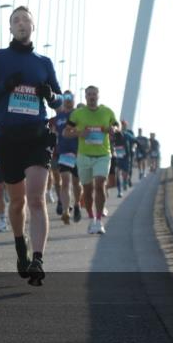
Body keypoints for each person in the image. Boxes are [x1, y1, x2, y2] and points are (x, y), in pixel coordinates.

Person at [0, 6, 62, 286]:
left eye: (26, 20)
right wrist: (3, 86)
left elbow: (60, 101)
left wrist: (50, 95)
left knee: (36, 199)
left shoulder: (43, 62)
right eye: (16, 20)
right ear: (10, 28)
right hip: (9, 140)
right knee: (17, 201)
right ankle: (21, 245)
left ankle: (38, 259)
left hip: (37, 137)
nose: (21, 24)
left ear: (33, 27)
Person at [64, 85, 119, 234]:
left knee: (100, 185)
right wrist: (79, 133)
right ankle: (91, 218)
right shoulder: (77, 114)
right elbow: (66, 133)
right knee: (87, 190)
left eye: (94, 94)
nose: (92, 96)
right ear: (86, 97)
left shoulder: (107, 112)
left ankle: (99, 221)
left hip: (103, 155)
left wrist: (113, 129)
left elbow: (116, 125)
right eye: (89, 94)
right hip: (84, 156)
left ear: (98, 96)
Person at [49, 90, 81, 225]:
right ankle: (66, 211)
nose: (67, 99)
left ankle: (77, 204)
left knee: (76, 183)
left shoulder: (79, 115)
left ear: (73, 99)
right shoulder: (59, 117)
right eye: (65, 97)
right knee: (65, 181)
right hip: (64, 153)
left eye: (70, 97)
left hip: (79, 153)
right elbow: (54, 134)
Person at [111, 122, 133, 198]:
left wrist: (134, 146)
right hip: (117, 157)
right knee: (117, 174)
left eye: (124, 125)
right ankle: (119, 191)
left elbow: (134, 140)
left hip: (126, 157)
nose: (123, 127)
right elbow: (110, 142)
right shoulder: (114, 134)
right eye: (122, 125)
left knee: (125, 174)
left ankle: (125, 182)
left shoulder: (127, 134)